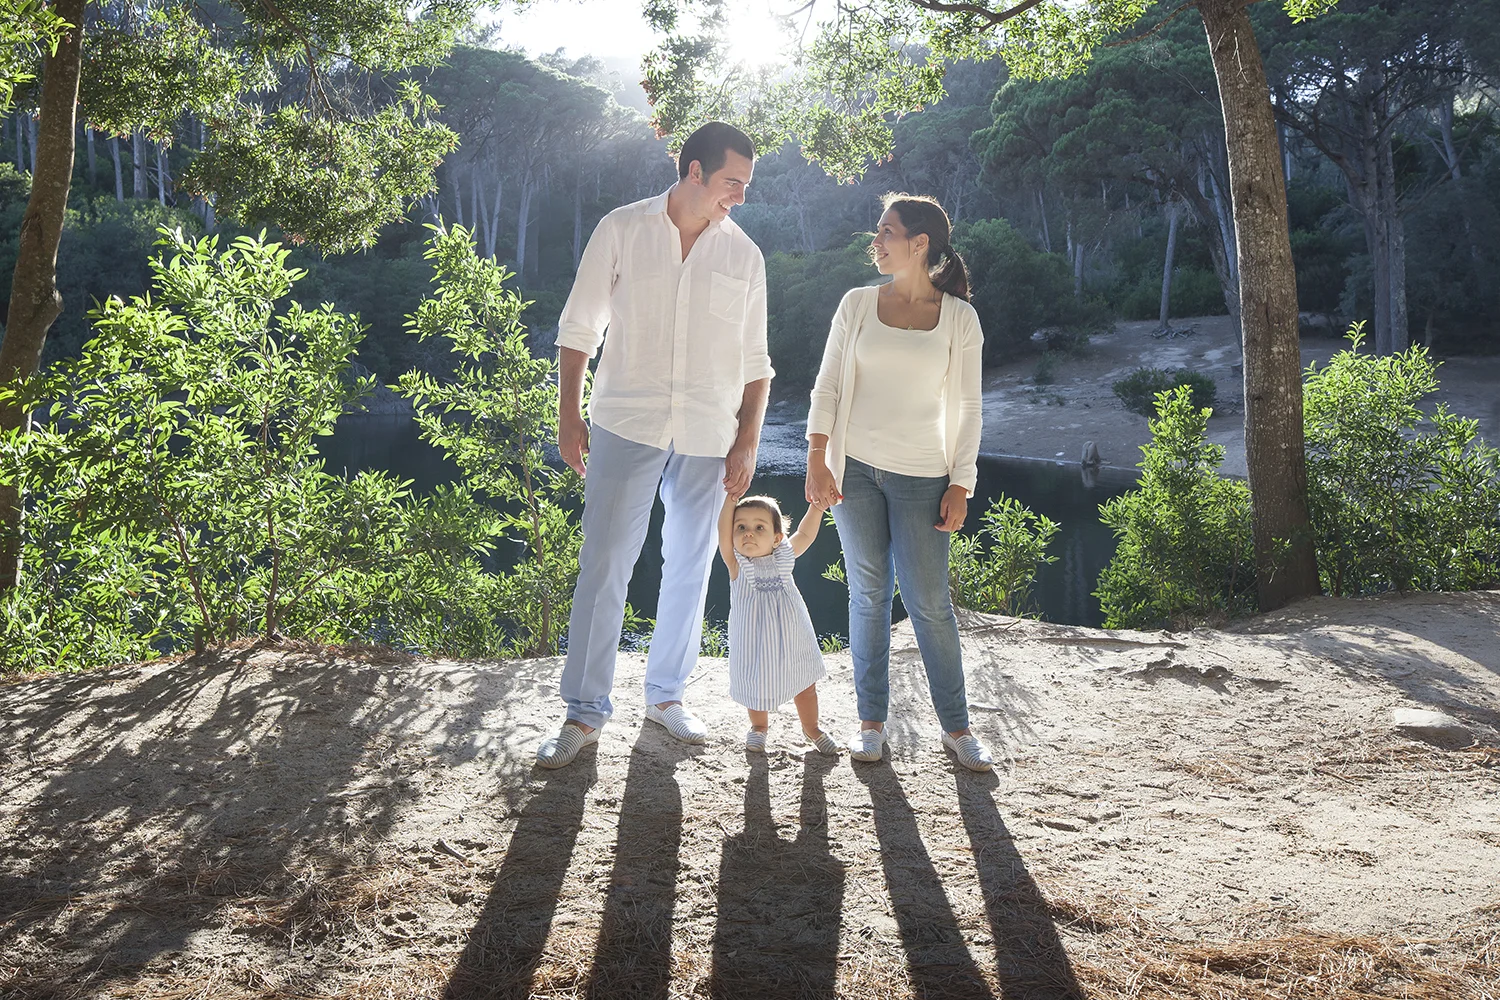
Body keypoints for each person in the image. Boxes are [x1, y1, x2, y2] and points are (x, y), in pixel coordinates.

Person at [536, 122, 771, 769]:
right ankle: (583, 713)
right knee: (605, 563)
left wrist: (747, 441)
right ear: (694, 171)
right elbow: (578, 329)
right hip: (624, 422)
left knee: (690, 566)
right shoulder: (623, 229)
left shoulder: (744, 257)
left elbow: (757, 363)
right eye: (732, 182)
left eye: (745, 186)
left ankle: (666, 697)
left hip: (707, 434)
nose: (739, 196)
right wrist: (568, 417)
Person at [804, 192, 994, 772]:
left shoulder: (959, 317)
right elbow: (829, 383)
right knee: (867, 595)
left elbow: (967, 406)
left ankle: (957, 729)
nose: (877, 242)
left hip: (924, 476)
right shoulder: (857, 304)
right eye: (877, 231)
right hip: (854, 468)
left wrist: (961, 482)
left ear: (920, 244)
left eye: (887, 232)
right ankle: (871, 723)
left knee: (930, 602)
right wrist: (817, 456)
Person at [717, 493, 841, 755]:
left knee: (805, 685)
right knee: (755, 684)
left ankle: (812, 728)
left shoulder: (784, 557)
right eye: (741, 527)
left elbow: (805, 534)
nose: (748, 533)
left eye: (759, 527)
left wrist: (816, 507)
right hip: (754, 643)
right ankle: (759, 727)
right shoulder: (737, 564)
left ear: (776, 538)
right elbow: (722, 528)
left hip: (793, 637)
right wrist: (730, 499)